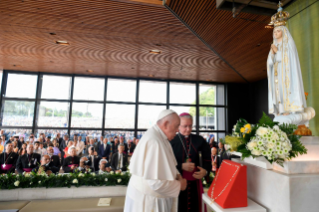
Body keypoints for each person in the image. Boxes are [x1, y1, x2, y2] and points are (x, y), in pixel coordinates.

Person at [124, 109, 187, 212]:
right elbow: (156, 183)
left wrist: (177, 175)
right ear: (166, 124)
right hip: (150, 201)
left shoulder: (160, 137)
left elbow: (169, 163)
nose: (177, 131)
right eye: (176, 126)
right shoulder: (154, 141)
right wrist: (180, 185)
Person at [267, 4, 307, 117]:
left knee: (285, 89)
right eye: (274, 32)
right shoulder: (274, 45)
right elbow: (269, 63)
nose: (275, 34)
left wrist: (277, 52)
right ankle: (279, 111)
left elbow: (289, 60)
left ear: (283, 31)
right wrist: (272, 55)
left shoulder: (289, 44)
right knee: (277, 91)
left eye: (278, 31)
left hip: (286, 74)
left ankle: (288, 110)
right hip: (276, 75)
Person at [170, 112, 212, 212]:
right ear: (178, 126)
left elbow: (207, 159)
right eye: (185, 126)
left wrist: (205, 171)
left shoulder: (199, 140)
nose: (188, 129)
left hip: (195, 184)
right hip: (177, 182)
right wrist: (181, 166)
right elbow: (165, 162)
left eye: (190, 126)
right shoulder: (171, 140)